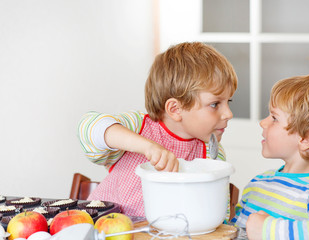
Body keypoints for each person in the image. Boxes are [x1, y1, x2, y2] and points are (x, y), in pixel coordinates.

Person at [78, 42, 238, 217]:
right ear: (175, 109)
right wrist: (148, 147)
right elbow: (90, 127)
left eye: (228, 102)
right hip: (102, 229)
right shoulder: (139, 126)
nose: (228, 114)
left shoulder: (211, 153)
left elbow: (215, 211)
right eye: (215, 104)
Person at [231, 73, 309, 239]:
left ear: (305, 139)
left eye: (274, 118)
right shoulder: (259, 183)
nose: (263, 123)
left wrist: (268, 229)